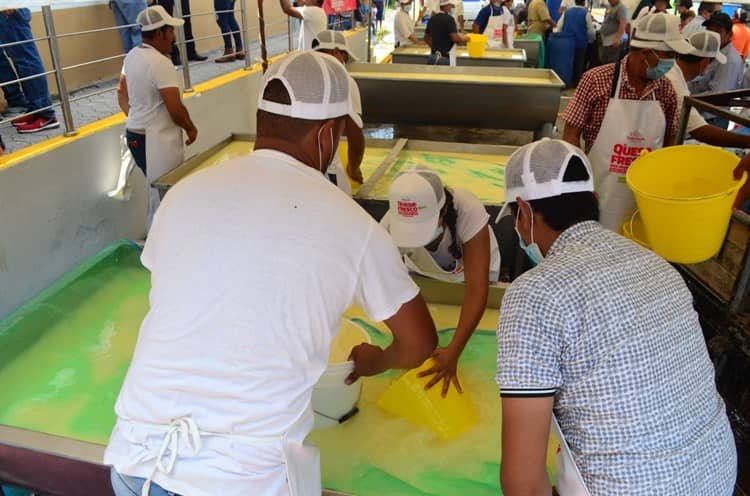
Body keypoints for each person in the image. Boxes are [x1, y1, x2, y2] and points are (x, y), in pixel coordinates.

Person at [104, 50, 437, 496]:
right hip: (242, 477)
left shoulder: (183, 195)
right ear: (325, 135)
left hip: (135, 459)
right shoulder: (352, 225)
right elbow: (420, 342)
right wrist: (377, 360)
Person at [495, 138, 737, 496]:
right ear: (594, 201)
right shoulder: (656, 263)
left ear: (524, 213)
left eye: (516, 221)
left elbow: (524, 484)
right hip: (717, 475)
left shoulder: (536, 294)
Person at [381, 166, 500, 396]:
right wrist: (408, 343)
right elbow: (387, 290)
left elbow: (477, 289)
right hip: (424, 274)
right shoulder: (386, 229)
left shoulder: (468, 208)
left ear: (443, 209)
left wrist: (453, 351)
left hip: (473, 272)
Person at [563, 13, 687, 231]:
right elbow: (571, 133)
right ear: (647, 53)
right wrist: (576, 186)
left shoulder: (665, 89)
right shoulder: (596, 80)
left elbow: (670, 141)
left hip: (643, 198)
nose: (673, 63)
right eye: (669, 55)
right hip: (598, 192)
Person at [116, 6, 198, 227]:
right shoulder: (161, 63)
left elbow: (121, 92)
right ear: (160, 33)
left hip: (134, 135)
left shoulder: (132, 56)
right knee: (163, 195)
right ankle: (160, 247)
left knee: (157, 191)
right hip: (154, 141)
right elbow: (175, 108)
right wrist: (191, 128)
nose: (173, 37)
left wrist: (135, 117)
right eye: (170, 31)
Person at [312, 30, 365, 190]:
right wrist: (353, 168)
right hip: (326, 170)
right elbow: (355, 134)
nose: (345, 62)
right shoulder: (344, 80)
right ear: (335, 52)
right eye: (345, 56)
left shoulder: (299, 73)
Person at [0, 9, 59, 134]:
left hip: (9, 8)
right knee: (21, 59)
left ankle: (46, 115)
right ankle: (36, 110)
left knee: (26, 59)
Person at [689, 11, 743, 129]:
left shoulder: (729, 60)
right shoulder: (712, 52)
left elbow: (718, 94)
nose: (712, 34)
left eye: (717, 31)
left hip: (713, 119)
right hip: (700, 114)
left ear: (729, 34)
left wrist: (687, 97)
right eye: (709, 30)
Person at [554, 0, 595, 85]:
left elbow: (559, 26)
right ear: (584, 3)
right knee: (579, 63)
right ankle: (577, 83)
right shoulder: (585, 13)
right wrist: (591, 41)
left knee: (568, 62)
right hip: (581, 43)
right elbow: (591, 31)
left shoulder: (567, 12)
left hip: (567, 43)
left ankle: (567, 81)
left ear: (575, 2)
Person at [425, 0, 470, 65]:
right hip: (444, 59)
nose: (451, 8)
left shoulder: (432, 19)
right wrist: (466, 39)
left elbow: (426, 39)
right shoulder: (449, 19)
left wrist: (436, 49)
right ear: (446, 6)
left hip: (432, 57)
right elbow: (455, 38)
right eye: (450, 6)